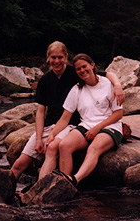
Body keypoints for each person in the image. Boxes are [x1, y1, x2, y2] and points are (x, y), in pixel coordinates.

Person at [10, 42, 124, 181]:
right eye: (53, 57)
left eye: (60, 57)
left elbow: (107, 76)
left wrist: (117, 85)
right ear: (48, 58)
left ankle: (56, 185)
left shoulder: (79, 74)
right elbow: (43, 112)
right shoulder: (49, 81)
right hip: (59, 125)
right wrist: (41, 137)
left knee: (54, 149)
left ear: (65, 57)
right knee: (20, 164)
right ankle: (6, 193)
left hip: (76, 126)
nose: (56, 61)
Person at [39, 53, 123, 187]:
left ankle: (74, 180)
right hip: (86, 126)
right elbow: (64, 119)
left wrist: (97, 128)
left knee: (93, 148)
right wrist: (52, 135)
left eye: (84, 67)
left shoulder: (108, 84)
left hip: (110, 126)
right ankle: (63, 182)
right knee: (63, 145)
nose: (82, 71)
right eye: (78, 69)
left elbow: (118, 114)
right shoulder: (77, 89)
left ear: (92, 65)